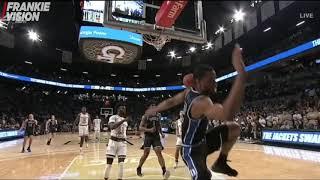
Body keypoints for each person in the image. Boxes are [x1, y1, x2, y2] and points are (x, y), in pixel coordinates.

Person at [144, 45, 247, 180]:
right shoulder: (202, 102)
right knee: (203, 177)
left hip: (203, 143)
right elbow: (227, 114)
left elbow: (172, 102)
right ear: (197, 82)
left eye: (214, 79)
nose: (214, 84)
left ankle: (221, 162)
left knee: (234, 128)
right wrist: (241, 75)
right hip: (190, 151)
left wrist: (155, 109)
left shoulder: (189, 92)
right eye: (210, 81)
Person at [137, 103, 170, 179]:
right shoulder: (145, 116)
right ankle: (139, 168)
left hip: (156, 136)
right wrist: (149, 130)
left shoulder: (158, 115)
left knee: (159, 152)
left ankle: (164, 170)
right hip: (148, 136)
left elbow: (159, 125)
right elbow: (140, 128)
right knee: (146, 154)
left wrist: (161, 133)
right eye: (153, 107)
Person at [104, 105, 128, 180]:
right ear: (118, 109)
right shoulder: (113, 117)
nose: (123, 109)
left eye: (124, 108)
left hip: (122, 143)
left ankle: (120, 178)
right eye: (122, 108)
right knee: (109, 164)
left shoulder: (125, 121)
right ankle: (106, 177)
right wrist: (123, 121)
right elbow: (112, 127)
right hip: (113, 142)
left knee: (121, 164)